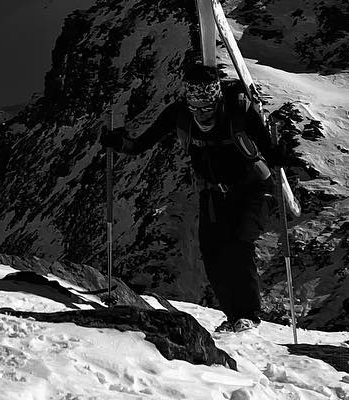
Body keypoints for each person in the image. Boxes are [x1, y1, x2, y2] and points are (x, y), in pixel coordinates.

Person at [100, 59, 285, 334]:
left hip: (253, 190)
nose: (201, 115)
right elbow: (141, 144)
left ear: (217, 98)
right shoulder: (180, 114)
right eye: (196, 108)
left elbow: (272, 154)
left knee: (237, 242)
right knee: (211, 251)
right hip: (213, 194)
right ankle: (234, 316)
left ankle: (249, 315)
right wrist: (119, 142)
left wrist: (277, 146)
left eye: (206, 109)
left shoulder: (238, 110)